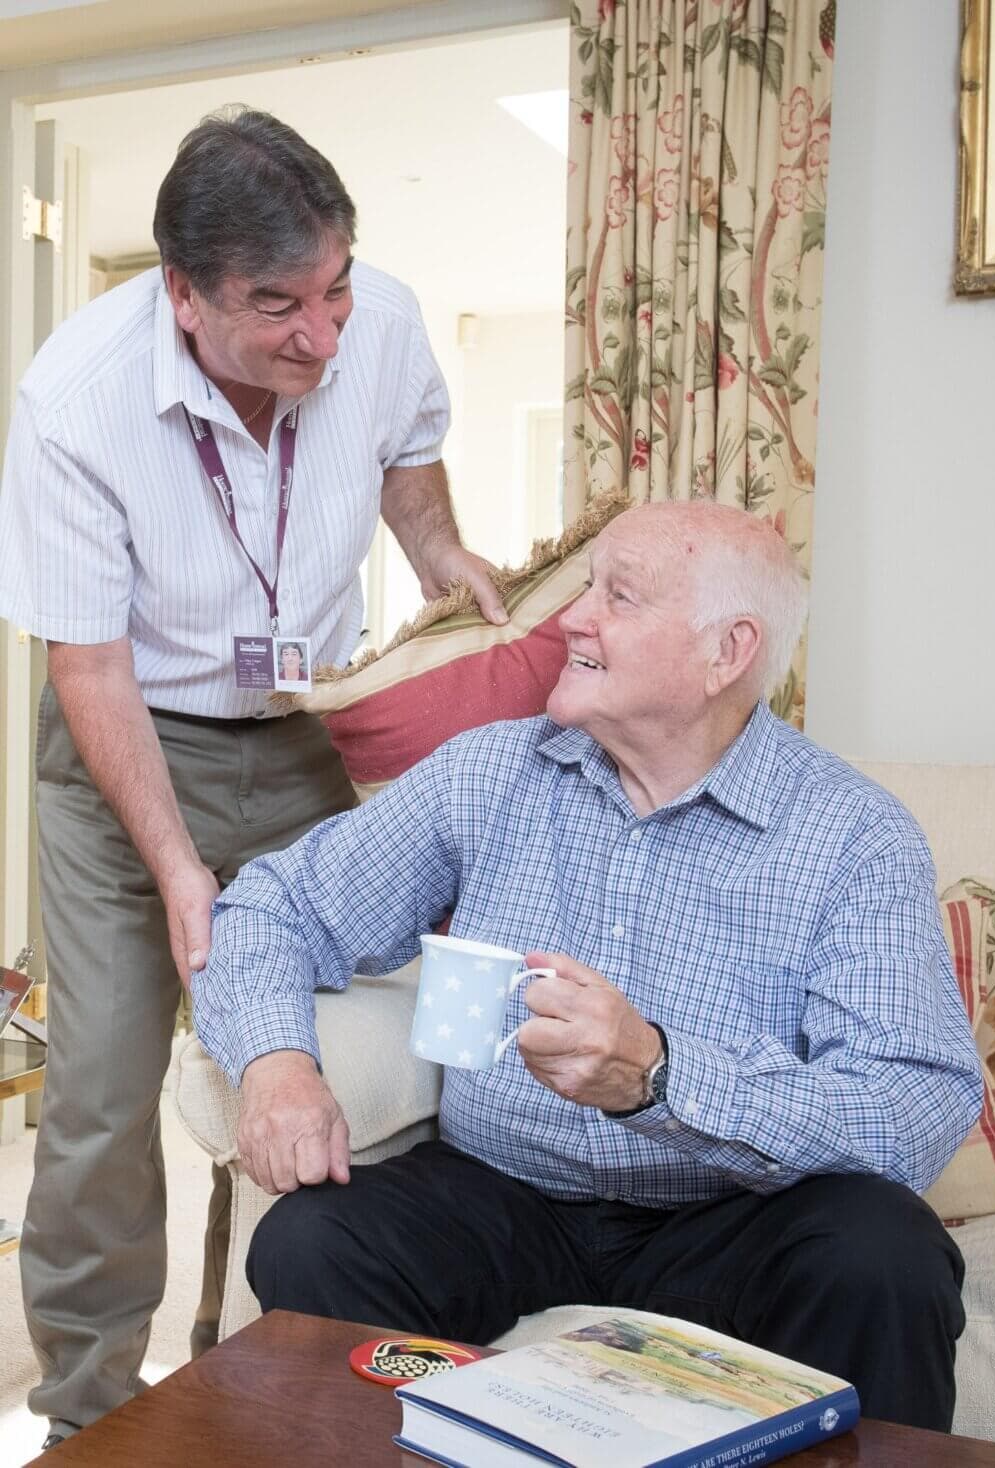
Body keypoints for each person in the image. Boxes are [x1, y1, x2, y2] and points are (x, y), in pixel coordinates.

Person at [194, 501, 983, 1433]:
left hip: (735, 1212)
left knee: (885, 1256)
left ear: (725, 652)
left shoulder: (852, 837)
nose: (572, 618)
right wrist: (277, 1063)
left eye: (619, 596)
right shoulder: (491, 774)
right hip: (504, 1192)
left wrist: (661, 1076)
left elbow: (912, 1106)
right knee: (315, 1241)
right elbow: (272, 906)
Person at [0, 106, 505, 1450]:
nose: (322, 335)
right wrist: (174, 867)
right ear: (184, 296)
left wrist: (448, 564)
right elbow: (89, 670)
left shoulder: (378, 324)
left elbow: (410, 477)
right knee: (104, 1091)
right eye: (278, 306)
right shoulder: (76, 398)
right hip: (129, 742)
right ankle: (89, 1410)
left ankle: (290, 1370)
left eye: (334, 288)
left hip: (303, 728)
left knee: (336, 1046)